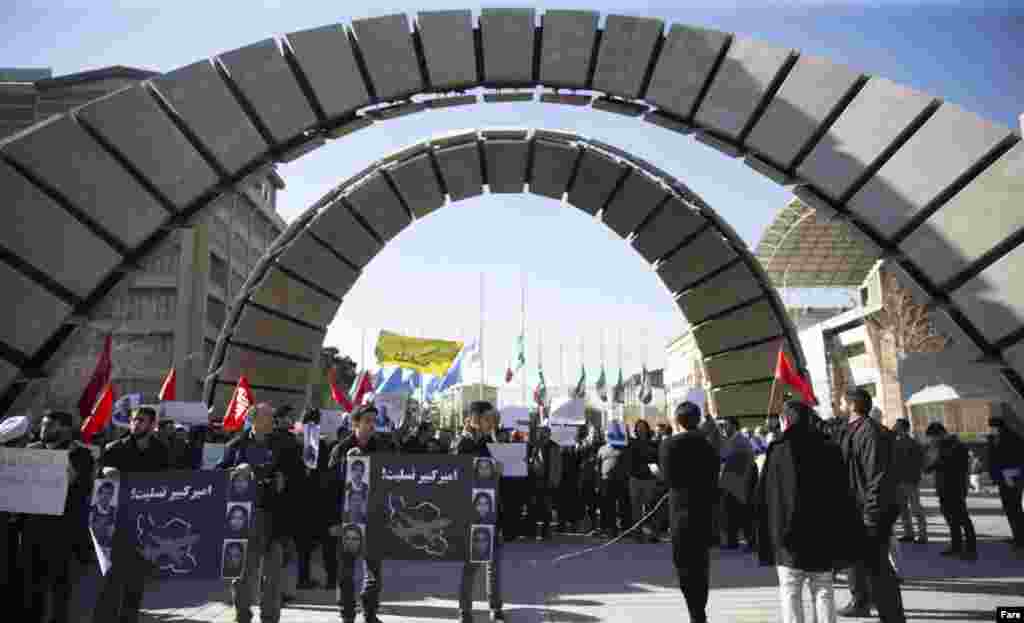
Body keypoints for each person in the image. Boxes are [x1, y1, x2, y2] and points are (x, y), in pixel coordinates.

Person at [756, 401, 860, 623]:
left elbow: (767, 496)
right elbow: (842, 493)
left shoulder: (778, 450)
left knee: (791, 591)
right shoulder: (829, 447)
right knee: (823, 589)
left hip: (787, 537)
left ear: (787, 420)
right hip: (821, 533)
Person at [217, 403, 304, 623]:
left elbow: (300, 476)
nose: (273, 420)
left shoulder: (285, 444)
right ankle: (242, 616)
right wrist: (236, 472)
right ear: (254, 419)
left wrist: (286, 479)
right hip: (244, 519)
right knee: (243, 575)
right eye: (268, 416)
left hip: (275, 519)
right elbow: (218, 476)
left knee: (273, 576)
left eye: (273, 417)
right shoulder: (236, 446)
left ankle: (270, 618)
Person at [92, 405, 171, 623]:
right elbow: (97, 483)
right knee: (111, 579)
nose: (136, 424)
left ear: (153, 425)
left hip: (144, 525)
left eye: (142, 420)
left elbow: (170, 485)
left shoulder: (161, 451)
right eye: (134, 420)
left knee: (136, 582)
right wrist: (104, 472)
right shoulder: (114, 449)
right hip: (117, 525)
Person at [834, 389, 905, 622]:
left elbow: (878, 477)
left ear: (852, 405)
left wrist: (871, 514)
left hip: (871, 513)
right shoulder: (852, 429)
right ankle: (861, 602)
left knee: (879, 569)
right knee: (860, 563)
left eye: (842, 402)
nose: (839, 405)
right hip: (856, 511)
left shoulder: (870, 432)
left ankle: (892, 617)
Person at [21, 410, 94, 623]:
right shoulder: (32, 451)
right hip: (33, 527)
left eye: (48, 425)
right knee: (32, 583)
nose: (42, 430)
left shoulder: (81, 455)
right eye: (43, 425)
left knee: (59, 584)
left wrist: (63, 459)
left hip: (62, 529)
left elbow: (80, 488)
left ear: (65, 429)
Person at [659, 401, 720, 623]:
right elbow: (714, 477)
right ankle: (699, 611)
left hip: (681, 513)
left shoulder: (669, 445)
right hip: (704, 511)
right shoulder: (709, 445)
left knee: (684, 565)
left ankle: (695, 611)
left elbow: (667, 478)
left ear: (677, 420)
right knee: (701, 566)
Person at [328, 405, 388, 623]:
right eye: (367, 421)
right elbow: (328, 487)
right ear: (355, 423)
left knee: (374, 573)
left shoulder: (382, 447)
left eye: (374, 420)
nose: (372, 425)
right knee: (346, 572)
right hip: (347, 520)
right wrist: (333, 522)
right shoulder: (341, 449)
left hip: (373, 519)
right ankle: (347, 615)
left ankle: (370, 613)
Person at [453, 401, 505, 622]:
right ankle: (465, 611)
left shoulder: (488, 442)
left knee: (493, 562)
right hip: (469, 511)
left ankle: (495, 608)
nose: (491, 423)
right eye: (487, 419)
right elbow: (458, 472)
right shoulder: (461, 443)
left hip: (490, 508)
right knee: (471, 564)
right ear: (475, 419)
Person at [923, 422, 977, 561]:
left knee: (963, 519)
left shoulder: (957, 446)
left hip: (956, 488)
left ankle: (971, 549)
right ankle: (956, 546)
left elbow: (955, 465)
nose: (931, 440)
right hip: (943, 488)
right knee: (951, 519)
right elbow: (935, 464)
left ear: (940, 434)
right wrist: (930, 466)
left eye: (933, 437)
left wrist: (935, 464)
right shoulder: (941, 446)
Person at [987, 414, 1024, 549]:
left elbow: (1018, 458)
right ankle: (1017, 537)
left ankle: (1020, 540)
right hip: (1002, 479)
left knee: (1015, 509)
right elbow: (993, 459)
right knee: (1010, 509)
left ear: (999, 427)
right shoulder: (994, 439)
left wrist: (1012, 474)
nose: (990, 430)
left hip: (1012, 479)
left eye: (992, 427)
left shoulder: (1012, 438)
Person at [890, 419, 927, 544]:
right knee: (904, 509)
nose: (894, 427)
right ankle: (910, 533)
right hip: (901, 481)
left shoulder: (911, 443)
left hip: (909, 480)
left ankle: (921, 535)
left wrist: (915, 477)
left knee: (915, 508)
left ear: (902, 428)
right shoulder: (896, 442)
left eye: (896, 425)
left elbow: (919, 462)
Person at [626, 419, 661, 543]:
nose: (641, 429)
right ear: (636, 430)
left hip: (649, 479)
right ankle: (637, 534)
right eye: (638, 427)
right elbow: (628, 461)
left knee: (650, 508)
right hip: (635, 479)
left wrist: (656, 474)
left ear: (647, 429)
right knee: (636, 509)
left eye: (643, 427)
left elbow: (657, 461)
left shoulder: (653, 443)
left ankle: (652, 534)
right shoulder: (631, 443)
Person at [90, 480, 118, 547]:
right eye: (103, 493)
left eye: (109, 494)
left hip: (108, 547)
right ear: (98, 494)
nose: (105, 496)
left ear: (111, 496)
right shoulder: (91, 510)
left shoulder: (114, 511)